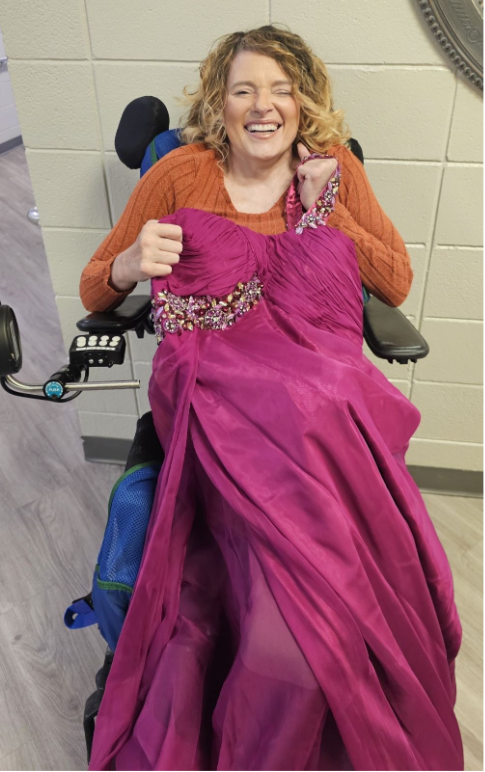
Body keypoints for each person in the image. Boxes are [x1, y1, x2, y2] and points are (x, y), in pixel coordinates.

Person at [81, 25, 463, 772]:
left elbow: (394, 283)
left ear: (304, 102)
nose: (264, 104)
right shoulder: (179, 173)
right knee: (307, 444)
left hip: (320, 397)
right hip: (212, 391)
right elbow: (99, 284)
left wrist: (329, 201)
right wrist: (128, 263)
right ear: (218, 103)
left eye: (282, 89)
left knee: (326, 400)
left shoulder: (333, 172)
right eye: (245, 88)